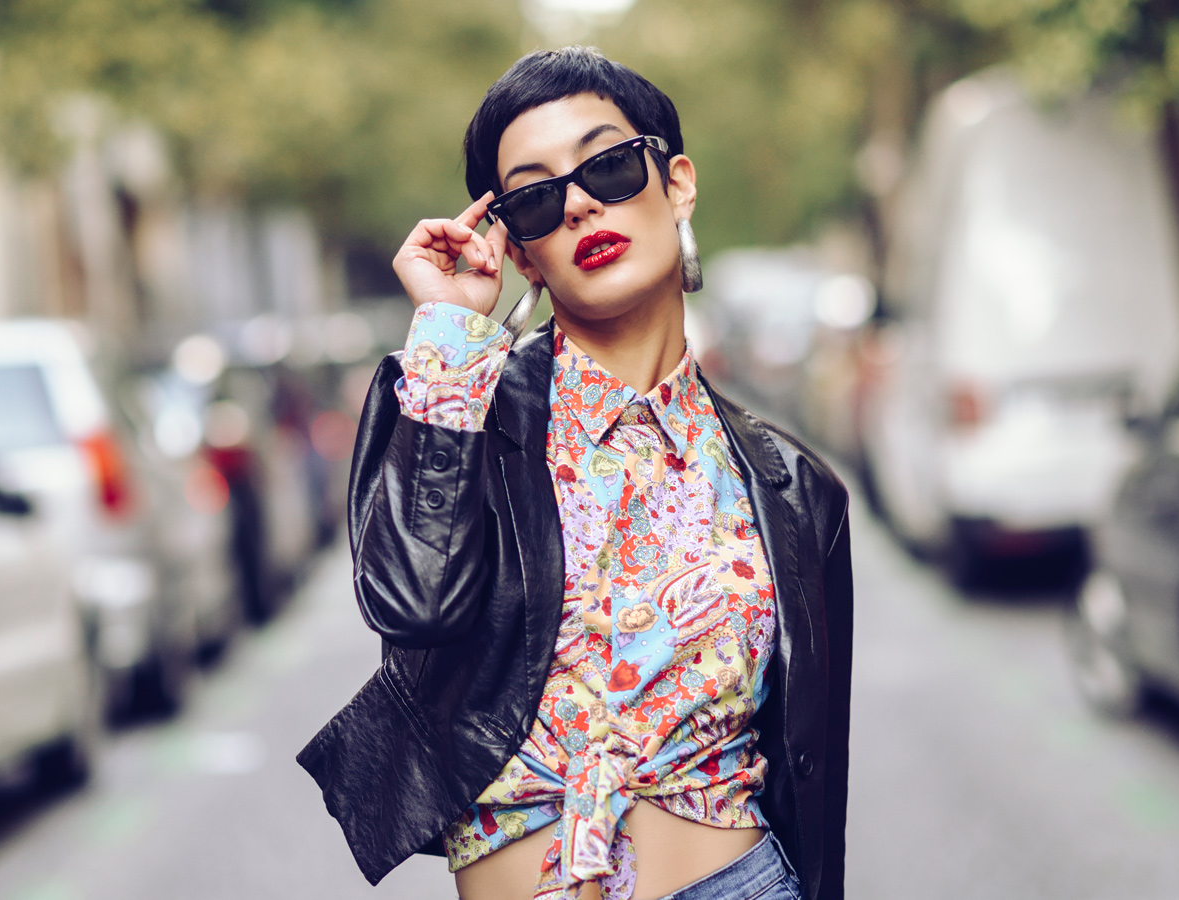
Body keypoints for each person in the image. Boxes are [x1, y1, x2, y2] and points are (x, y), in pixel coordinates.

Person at [298, 46, 852, 900]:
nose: (583, 201)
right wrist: (446, 329)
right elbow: (412, 603)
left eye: (609, 164)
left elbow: (813, 780)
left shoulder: (795, 491)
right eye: (536, 195)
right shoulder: (457, 413)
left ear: (678, 184)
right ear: (521, 252)